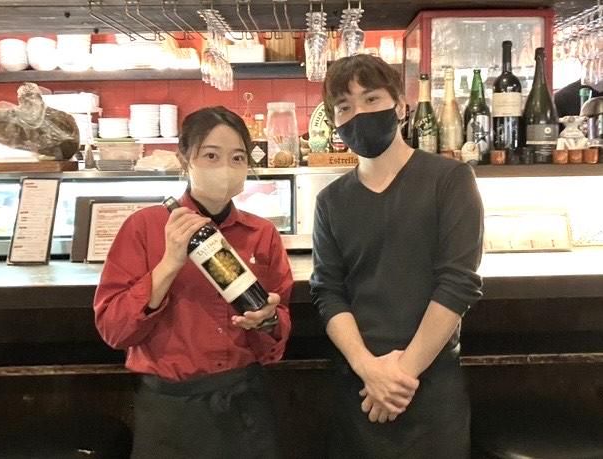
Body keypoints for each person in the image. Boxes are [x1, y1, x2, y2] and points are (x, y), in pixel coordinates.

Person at [310, 54, 484, 458]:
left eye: (371, 99)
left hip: (429, 382)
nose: (359, 114)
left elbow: (457, 284)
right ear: (334, 122)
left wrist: (400, 377)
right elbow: (327, 291)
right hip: (359, 386)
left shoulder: (451, 180)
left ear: (401, 106)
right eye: (344, 107)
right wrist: (369, 370)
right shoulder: (330, 201)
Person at [94, 106, 293, 459]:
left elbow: (278, 331)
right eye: (211, 155)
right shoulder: (145, 227)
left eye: (237, 158)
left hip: (243, 404)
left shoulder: (261, 234)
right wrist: (169, 263)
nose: (225, 168)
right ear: (185, 159)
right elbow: (114, 330)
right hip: (171, 411)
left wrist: (269, 321)